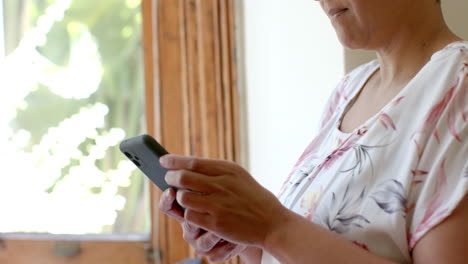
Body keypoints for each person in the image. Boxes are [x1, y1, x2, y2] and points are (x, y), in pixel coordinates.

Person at [159, 0, 468, 263]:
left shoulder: (459, 89)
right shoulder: (349, 91)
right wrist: (247, 236)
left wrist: (273, 228)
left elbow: (285, 233)